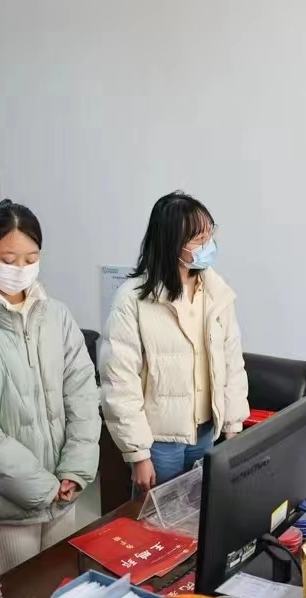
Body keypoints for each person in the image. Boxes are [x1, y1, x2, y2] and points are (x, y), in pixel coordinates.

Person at [0, 200, 100, 573]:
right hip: (7, 511)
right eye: (9, 260)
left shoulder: (58, 316)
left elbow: (83, 395)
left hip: (65, 495)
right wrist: (41, 488)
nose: (21, 269)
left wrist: (74, 471)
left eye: (31, 259)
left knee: (65, 590)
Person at [101, 191, 249, 492]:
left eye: (209, 235)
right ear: (171, 244)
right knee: (156, 517)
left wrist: (233, 425)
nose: (208, 244)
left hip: (206, 433)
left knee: (200, 512)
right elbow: (120, 383)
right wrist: (138, 454)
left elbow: (232, 363)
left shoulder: (217, 293)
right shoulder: (132, 300)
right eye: (198, 239)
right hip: (159, 442)